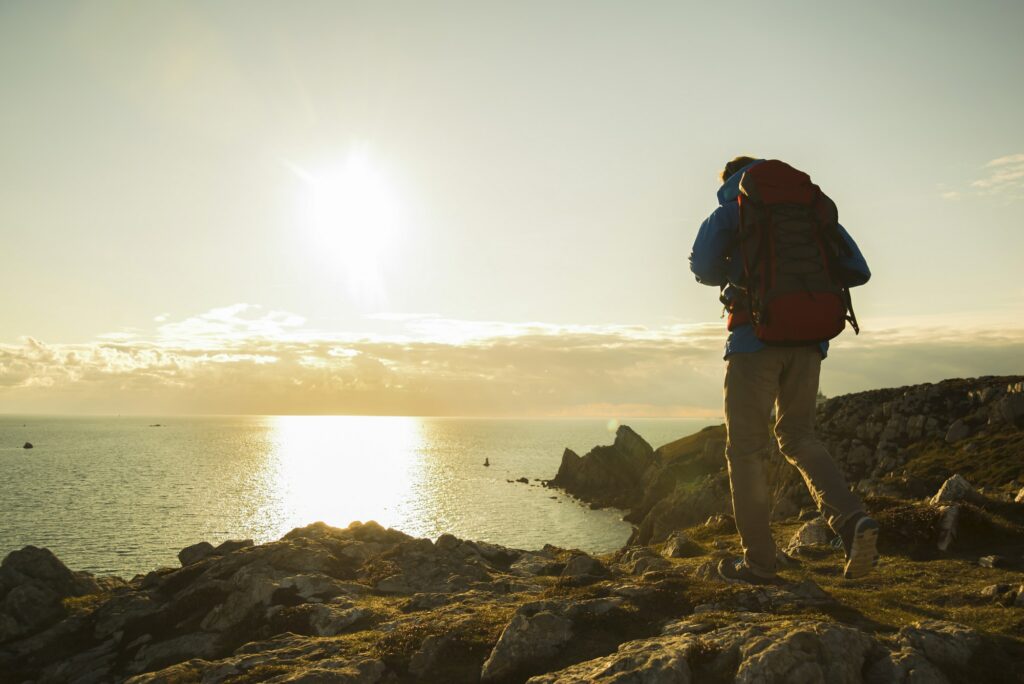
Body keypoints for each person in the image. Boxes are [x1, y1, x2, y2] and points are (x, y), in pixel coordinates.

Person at [689, 156, 878, 583]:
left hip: (753, 340)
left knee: (746, 451)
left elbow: (701, 267)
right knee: (798, 436)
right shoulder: (810, 207)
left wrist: (734, 274)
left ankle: (758, 562)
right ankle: (852, 523)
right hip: (810, 342)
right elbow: (858, 269)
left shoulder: (732, 208)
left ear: (730, 180)